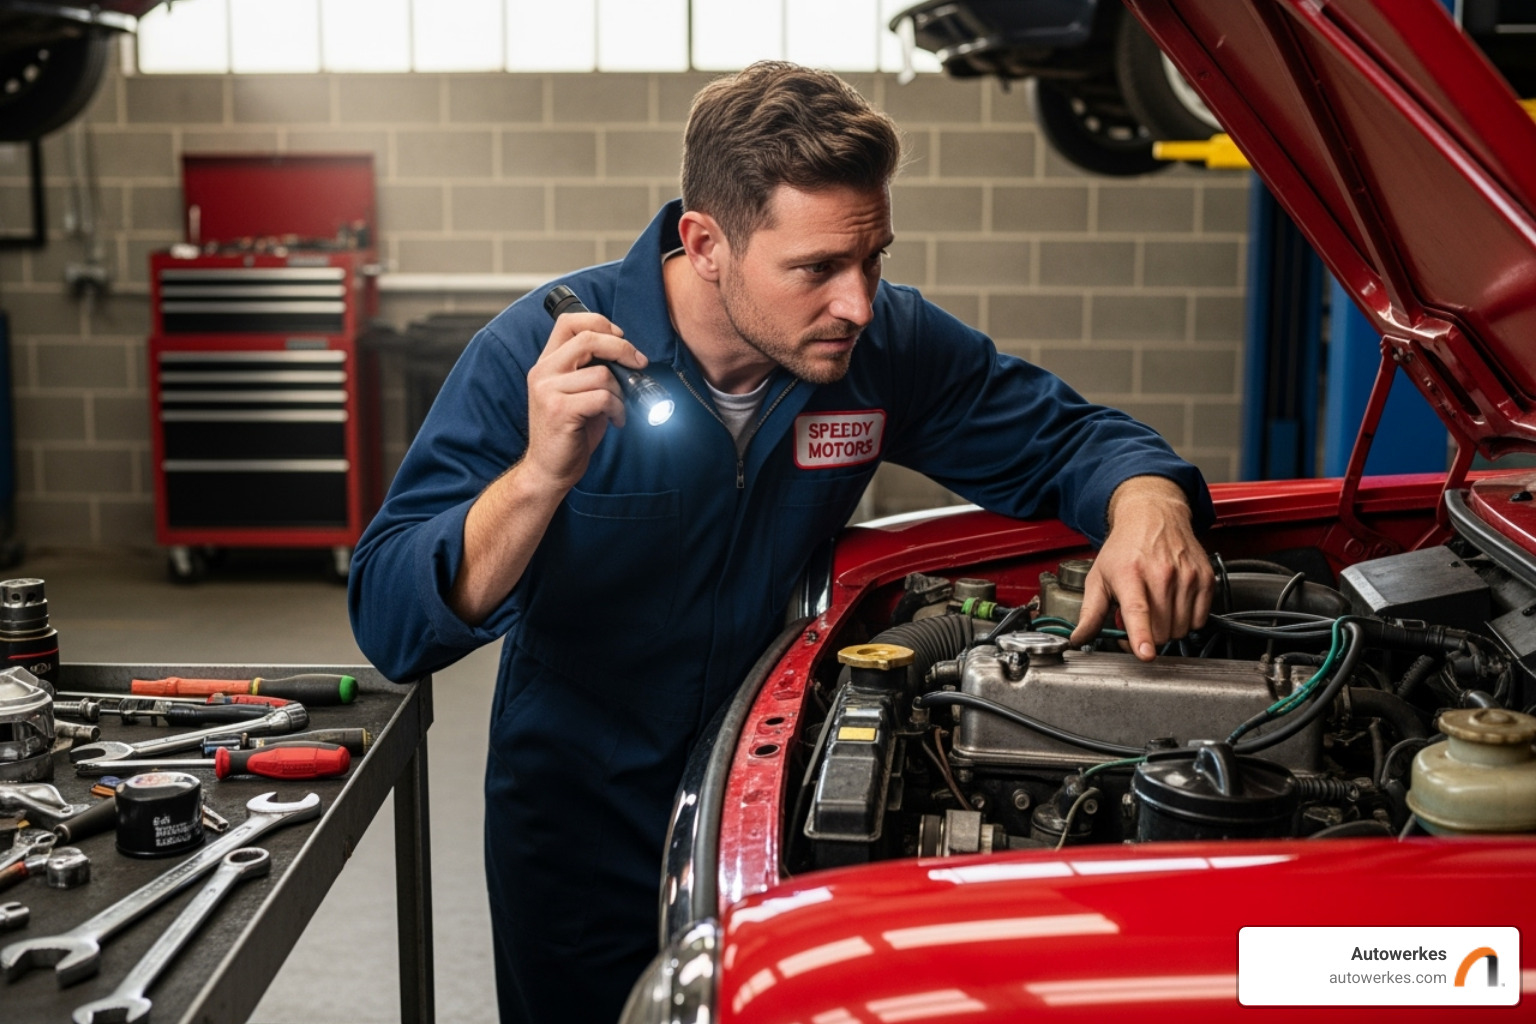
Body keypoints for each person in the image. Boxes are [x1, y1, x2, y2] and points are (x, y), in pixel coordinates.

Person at [349, 61, 1216, 1024]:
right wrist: (541, 475)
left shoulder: (881, 348)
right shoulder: (537, 357)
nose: (858, 302)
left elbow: (1072, 439)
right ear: (706, 243)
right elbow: (393, 618)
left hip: (778, 800)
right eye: (817, 270)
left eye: (873, 258)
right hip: (579, 823)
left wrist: (1148, 504)